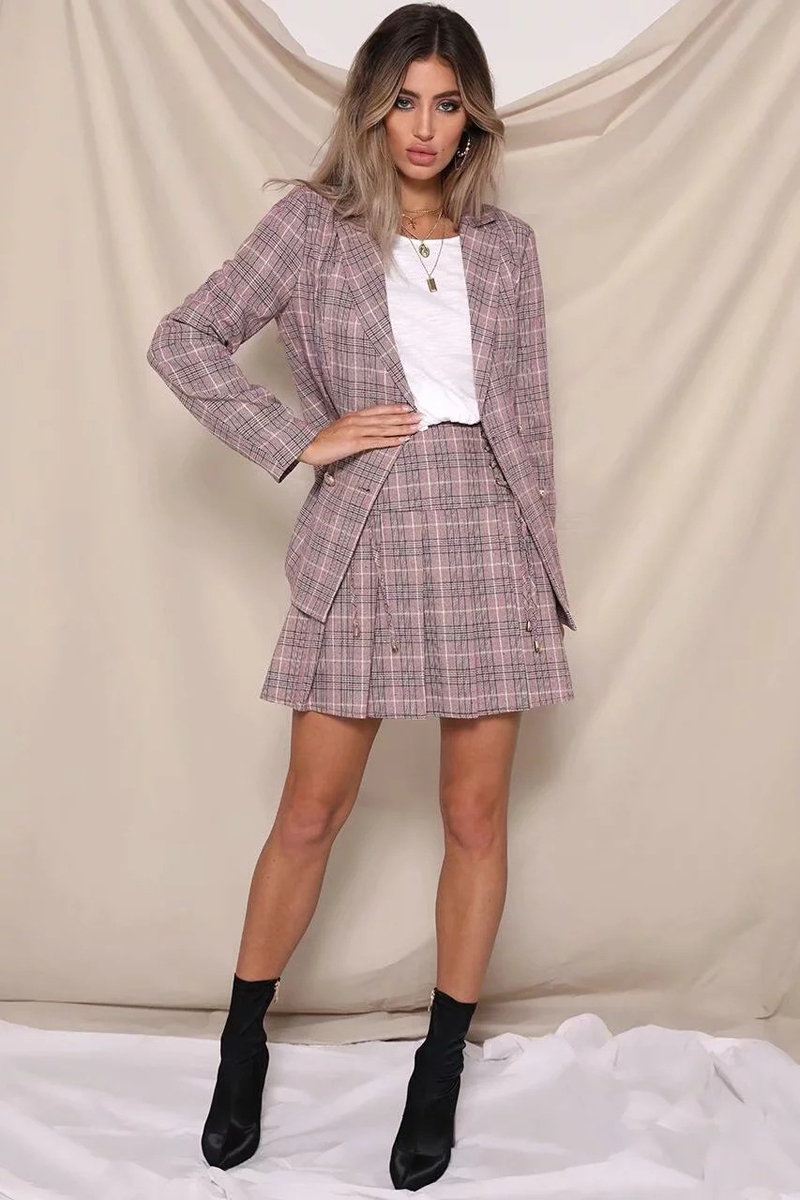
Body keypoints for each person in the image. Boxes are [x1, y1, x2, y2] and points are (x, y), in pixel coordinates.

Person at [146, 3, 577, 1189]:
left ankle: (437, 1067)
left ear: (472, 119)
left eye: (446, 104)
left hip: (486, 534)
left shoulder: (507, 246)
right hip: (370, 529)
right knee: (309, 812)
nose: (423, 127)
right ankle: (243, 1042)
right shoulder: (310, 225)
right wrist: (300, 437)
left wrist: (539, 563)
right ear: (370, 109)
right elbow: (184, 338)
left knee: (474, 819)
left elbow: (528, 414)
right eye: (403, 101)